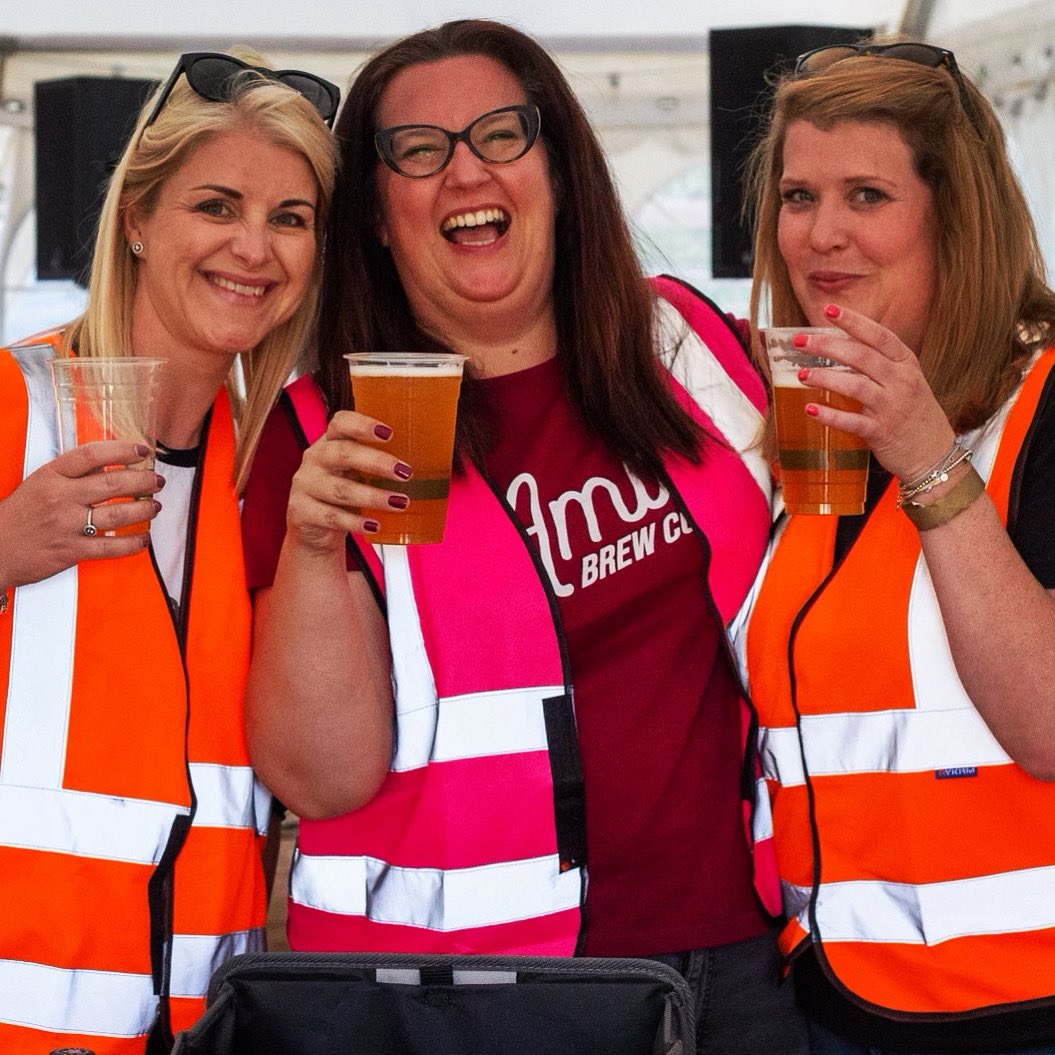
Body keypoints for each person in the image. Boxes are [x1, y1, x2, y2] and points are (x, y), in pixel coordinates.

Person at [241, 17, 810, 1055]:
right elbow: (317, 780)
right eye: (418, 150)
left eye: (499, 133)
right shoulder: (320, 435)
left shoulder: (691, 347)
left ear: (556, 166)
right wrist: (316, 546)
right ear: (374, 212)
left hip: (731, 964)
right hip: (463, 994)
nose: (464, 170)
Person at [0, 49, 337, 1054]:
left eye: (290, 217)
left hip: (199, 1028)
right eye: (216, 205)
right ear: (137, 219)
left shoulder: (272, 472)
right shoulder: (16, 404)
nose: (254, 246)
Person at [739, 40, 1055, 1055]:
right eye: (797, 195)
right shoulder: (805, 428)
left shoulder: (1038, 407)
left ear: (953, 217)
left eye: (865, 194)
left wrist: (927, 459)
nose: (820, 233)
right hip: (837, 1002)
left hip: (1017, 1013)